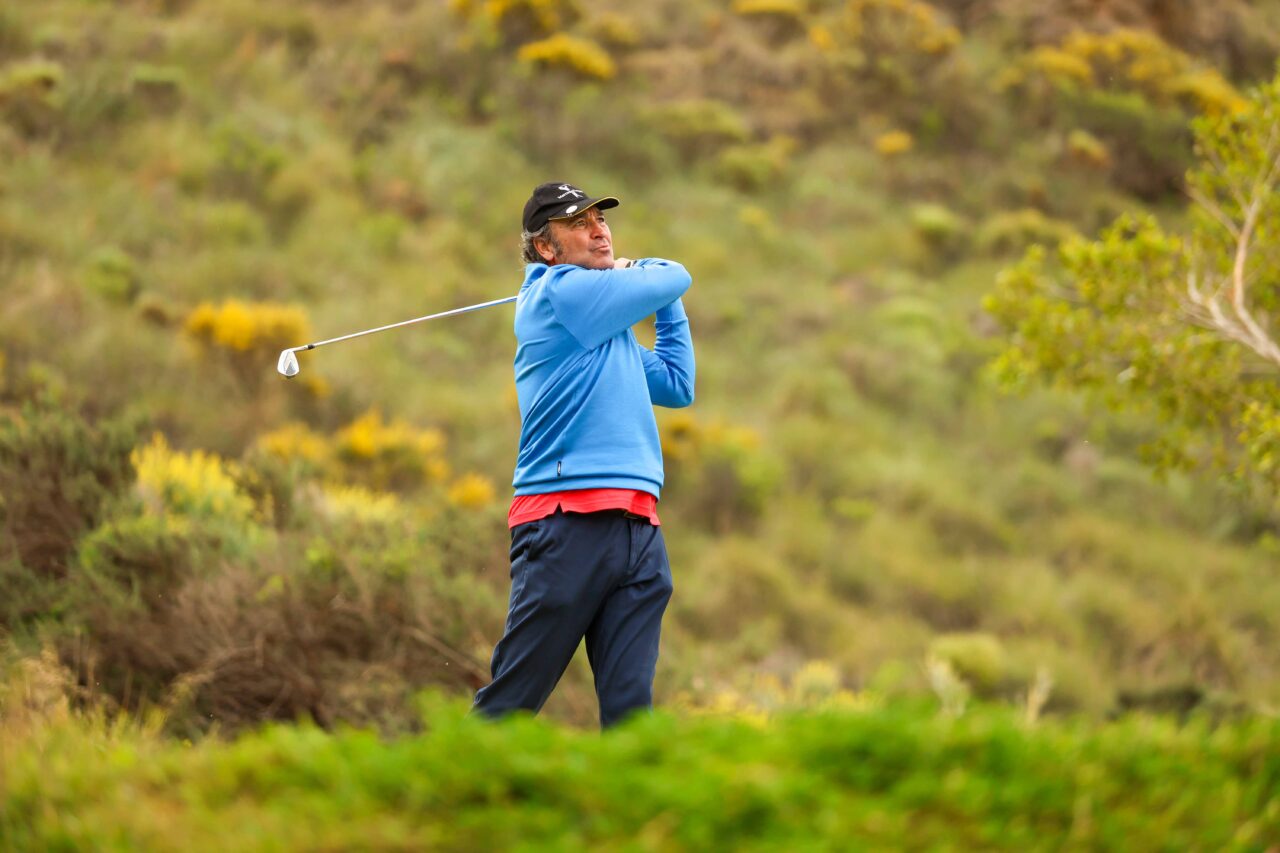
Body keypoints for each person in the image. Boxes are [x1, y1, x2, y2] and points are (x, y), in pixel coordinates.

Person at [472, 181, 695, 728]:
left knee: (630, 711)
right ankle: (443, 778)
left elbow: (676, 383)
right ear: (545, 248)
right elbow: (675, 273)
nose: (599, 232)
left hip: (638, 527)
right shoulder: (559, 292)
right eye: (579, 224)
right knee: (512, 701)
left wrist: (665, 303)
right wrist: (640, 271)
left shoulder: (603, 331)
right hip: (565, 520)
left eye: (601, 220)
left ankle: (631, 789)